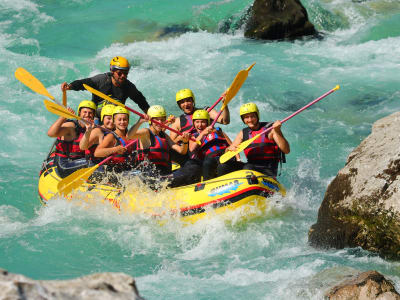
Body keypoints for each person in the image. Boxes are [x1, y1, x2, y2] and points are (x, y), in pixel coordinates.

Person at [61, 56, 150, 119]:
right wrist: (70, 86)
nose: (123, 76)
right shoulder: (101, 80)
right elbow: (83, 83)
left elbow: (141, 101)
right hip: (96, 117)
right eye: (119, 73)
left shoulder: (128, 86)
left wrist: (151, 115)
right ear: (112, 71)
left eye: (125, 73)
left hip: (114, 120)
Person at [128, 105, 190, 188]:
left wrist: (185, 142)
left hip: (163, 174)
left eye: (162, 119)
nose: (160, 122)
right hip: (150, 175)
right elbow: (129, 136)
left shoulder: (163, 135)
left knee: (191, 169)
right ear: (151, 121)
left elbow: (182, 151)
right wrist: (140, 122)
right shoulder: (146, 133)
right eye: (156, 120)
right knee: (188, 173)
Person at [226, 103, 290, 177]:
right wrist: (228, 149)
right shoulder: (243, 133)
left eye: (252, 116)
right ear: (243, 119)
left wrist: (277, 131)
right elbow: (231, 149)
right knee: (224, 166)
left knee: (247, 168)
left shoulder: (271, 129)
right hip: (250, 167)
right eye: (246, 117)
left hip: (268, 170)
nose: (250, 120)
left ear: (257, 116)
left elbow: (286, 150)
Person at [169, 89, 231, 165]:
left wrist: (225, 105)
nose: (186, 104)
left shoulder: (206, 111)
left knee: (218, 131)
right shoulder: (177, 121)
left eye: (188, 100)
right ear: (179, 105)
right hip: (194, 153)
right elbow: (172, 143)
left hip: (211, 146)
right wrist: (182, 137)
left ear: (193, 101)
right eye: (182, 102)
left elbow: (225, 121)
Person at [185, 109, 240, 181]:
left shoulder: (218, 131)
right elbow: (191, 149)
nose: (200, 125)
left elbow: (232, 145)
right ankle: (207, 182)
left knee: (223, 166)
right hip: (208, 160)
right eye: (197, 122)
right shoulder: (194, 137)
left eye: (203, 122)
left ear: (207, 122)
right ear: (194, 123)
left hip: (224, 155)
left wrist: (238, 159)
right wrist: (202, 134)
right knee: (208, 162)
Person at [47, 100, 96, 177]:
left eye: (90, 113)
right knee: (91, 163)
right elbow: (51, 133)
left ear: (93, 116)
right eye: (85, 112)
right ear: (79, 113)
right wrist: (63, 117)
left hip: (78, 163)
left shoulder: (93, 129)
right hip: (64, 164)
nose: (87, 115)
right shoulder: (71, 126)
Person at [94, 106, 136, 173]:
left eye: (125, 119)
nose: (122, 122)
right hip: (114, 173)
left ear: (128, 121)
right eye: (119, 120)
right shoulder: (111, 136)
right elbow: (97, 153)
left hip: (128, 171)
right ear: (114, 121)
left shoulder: (131, 136)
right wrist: (115, 149)